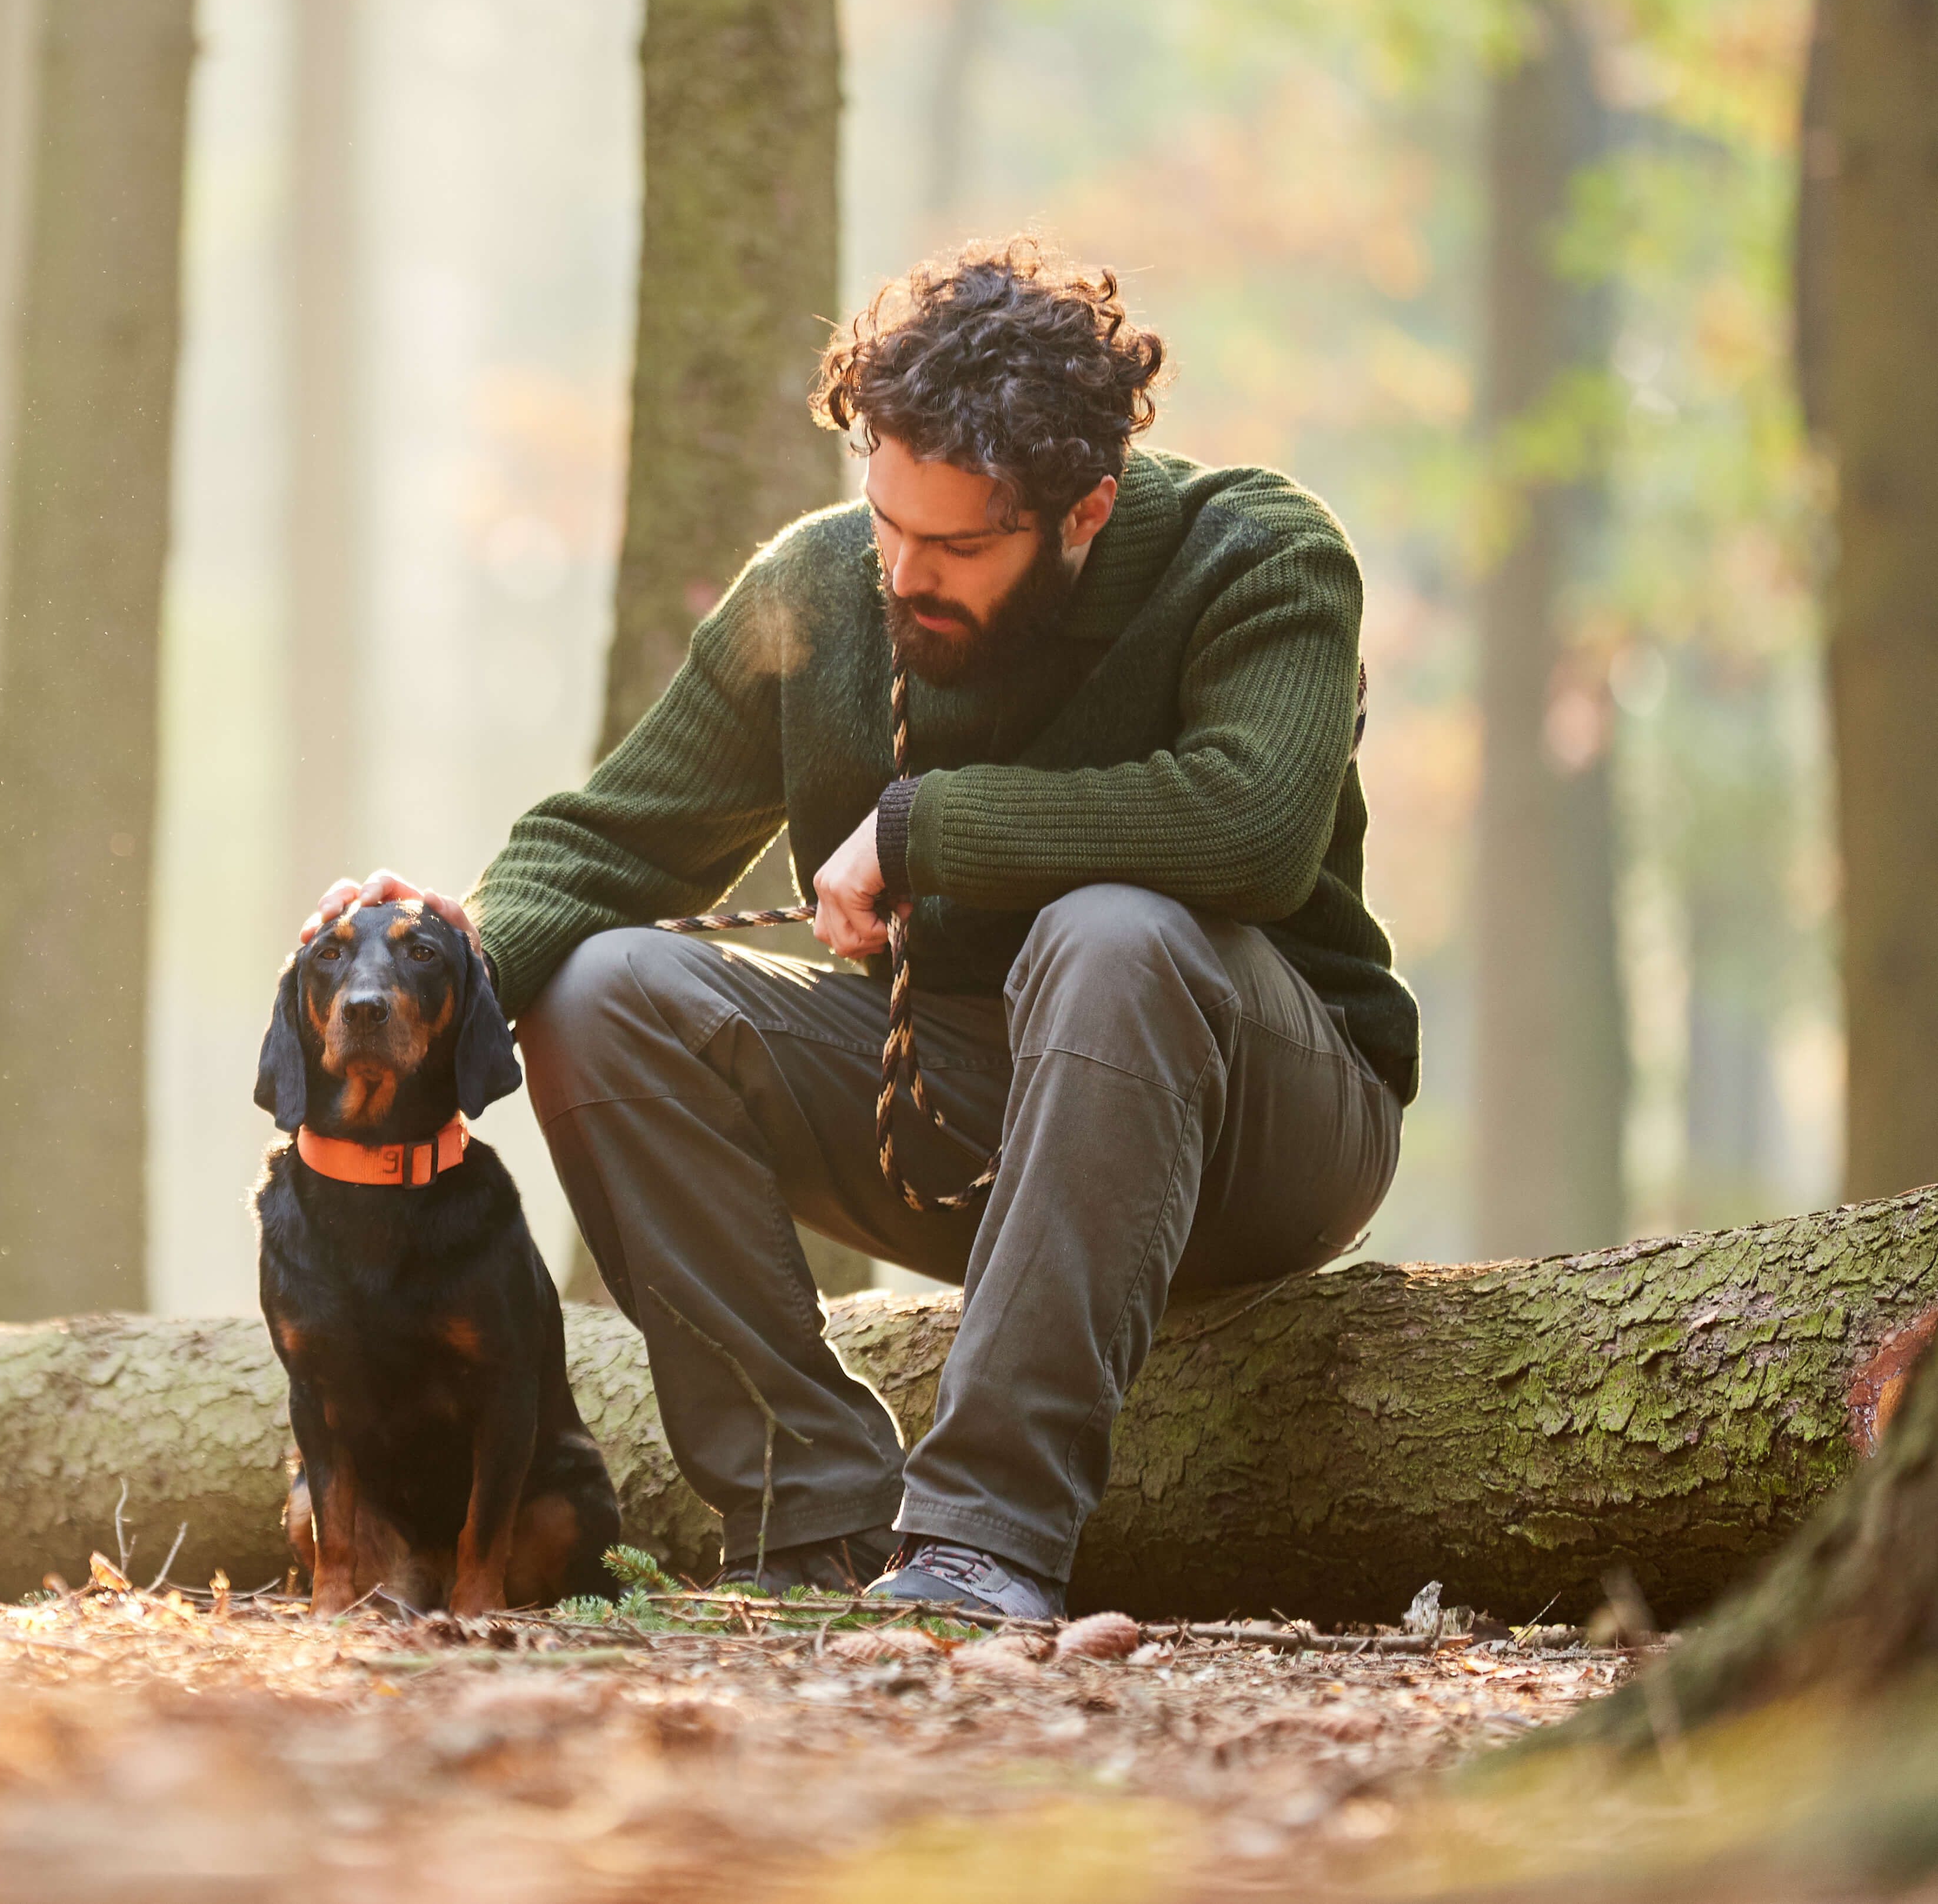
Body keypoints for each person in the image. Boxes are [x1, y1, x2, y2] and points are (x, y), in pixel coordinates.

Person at [304, 240, 1411, 1620]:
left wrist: (917, 828)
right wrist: (425, 974)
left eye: (958, 546)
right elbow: (601, 848)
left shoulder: (1256, 555)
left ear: (1085, 512)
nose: (903, 573)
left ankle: (982, 1541)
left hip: (1268, 1122)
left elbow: (1252, 826)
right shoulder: (821, 590)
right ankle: (811, 1514)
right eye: (889, 521)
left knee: (1114, 935)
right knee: (607, 987)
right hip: (964, 1122)